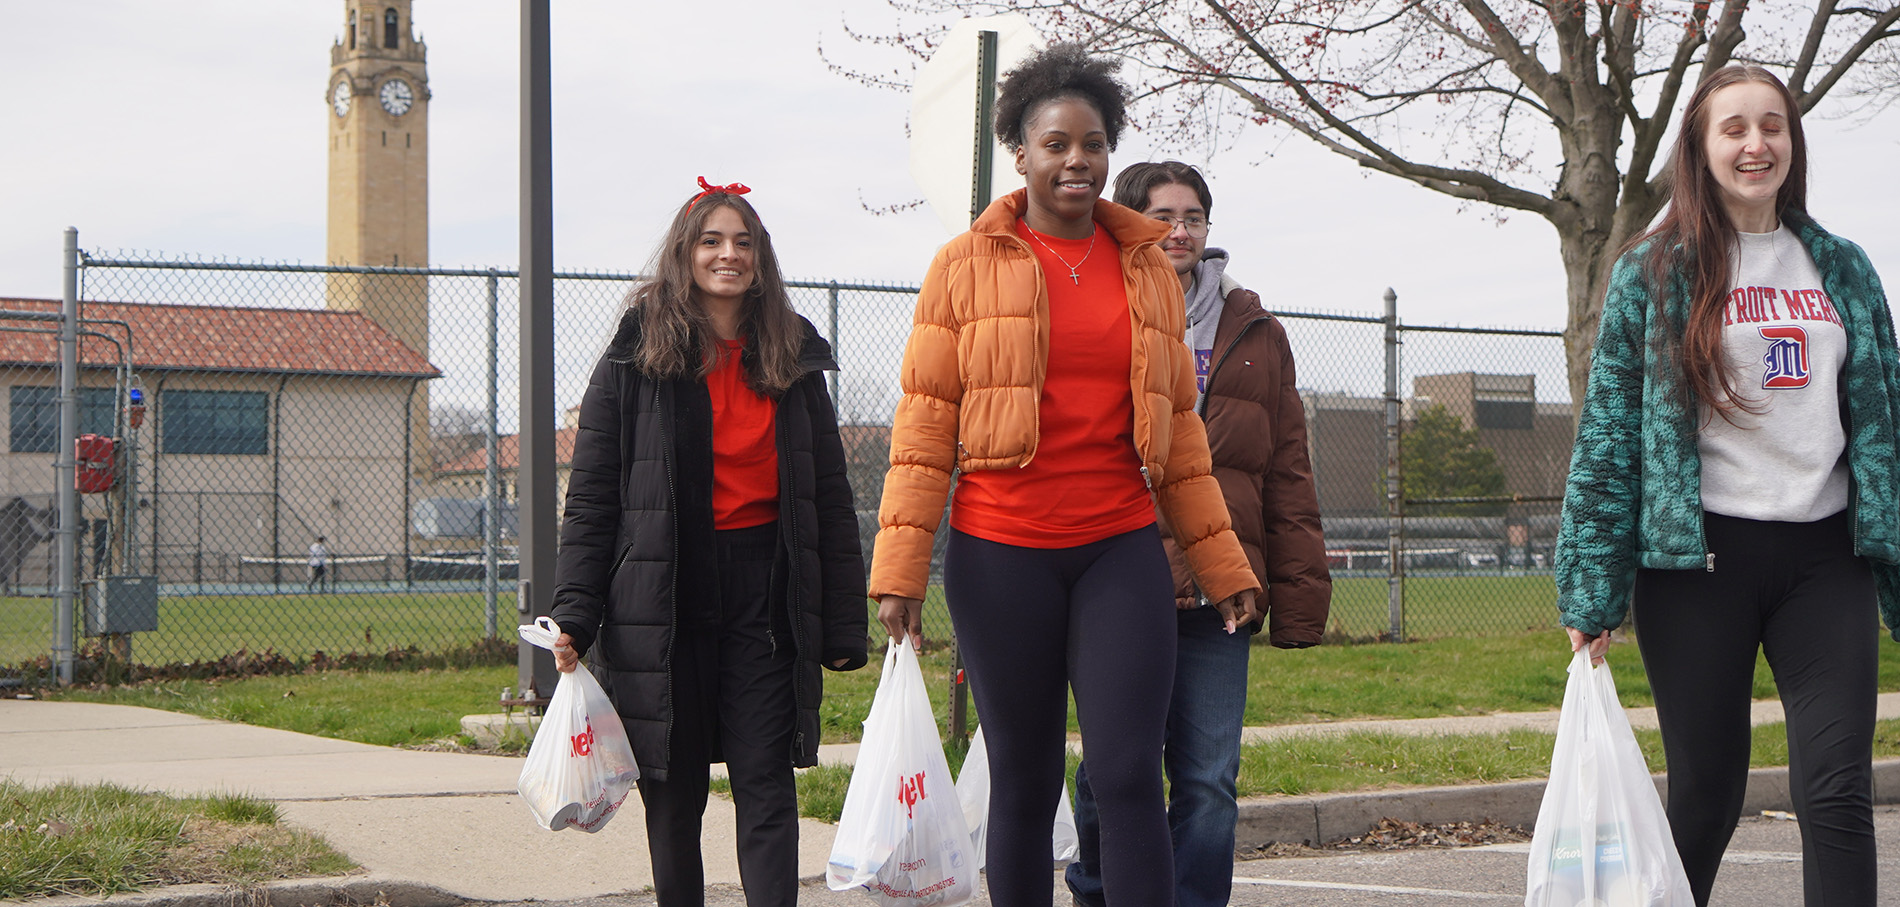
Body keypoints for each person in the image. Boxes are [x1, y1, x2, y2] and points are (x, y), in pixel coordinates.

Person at [870, 45, 1260, 907]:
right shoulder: (963, 266)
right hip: (1000, 552)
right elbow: (925, 422)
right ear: (1020, 151)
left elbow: (1181, 437)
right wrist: (898, 570)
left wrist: (1224, 564)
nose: (1076, 159)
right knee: (1025, 777)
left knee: (1126, 774)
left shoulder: (1148, 270)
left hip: (1118, 547)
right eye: (1056, 143)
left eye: (1092, 142)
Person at [1557, 65, 1900, 907]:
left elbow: (1887, 420)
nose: (1757, 144)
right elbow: (1610, 435)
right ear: (1701, 150)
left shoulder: (1845, 268)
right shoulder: (1652, 271)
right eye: (1734, 128)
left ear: (1793, 141)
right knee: (1707, 798)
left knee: (1837, 793)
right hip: (1699, 564)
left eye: (1773, 126)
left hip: (1827, 559)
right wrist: (1592, 588)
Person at [547, 179, 868, 907]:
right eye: (713, 240)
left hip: (765, 595)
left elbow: (827, 498)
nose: (730, 254)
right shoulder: (634, 357)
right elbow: (593, 497)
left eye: (744, 241)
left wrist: (843, 623)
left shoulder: (793, 355)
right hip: (664, 595)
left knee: (765, 780)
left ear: (762, 259)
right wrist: (575, 612)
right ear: (685, 254)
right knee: (674, 789)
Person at [1065, 162, 1331, 907]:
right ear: (1130, 222)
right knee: (1115, 768)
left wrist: (1301, 594)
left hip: (1224, 586)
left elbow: (1288, 472)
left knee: (1210, 777)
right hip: (1119, 578)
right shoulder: (1095, 311)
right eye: (1162, 215)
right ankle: (1098, 891)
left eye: (1193, 216)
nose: (1179, 231)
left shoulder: (1255, 333)